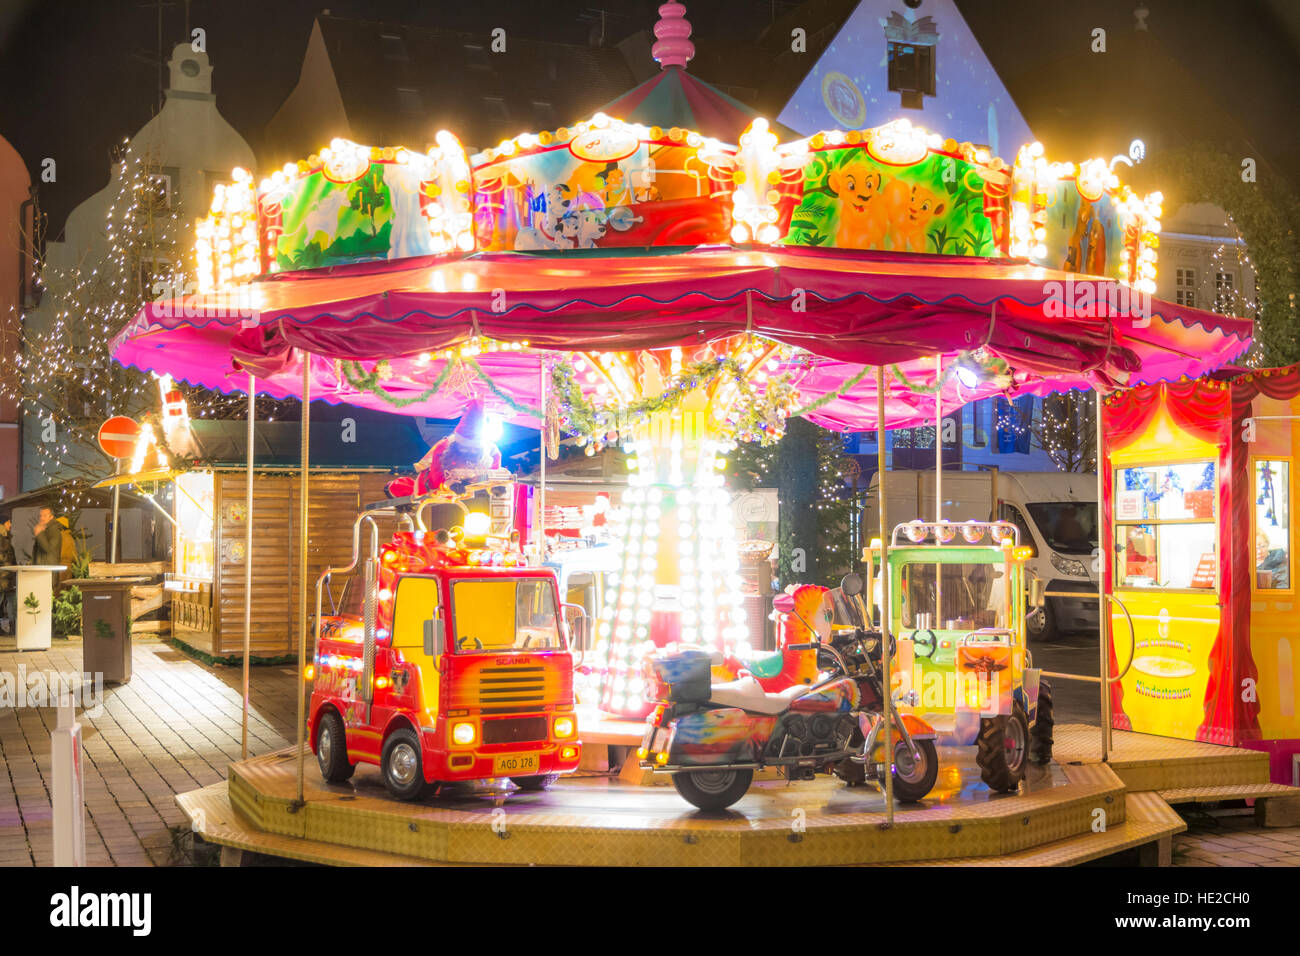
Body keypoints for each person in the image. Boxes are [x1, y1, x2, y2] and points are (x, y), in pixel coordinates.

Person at [0, 511, 15, 635]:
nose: (11, 525)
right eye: (9, 522)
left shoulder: (5, 538)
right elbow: (6, 558)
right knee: (9, 603)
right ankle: (13, 629)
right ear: (3, 524)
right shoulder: (3, 539)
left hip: (4, 577)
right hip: (3, 577)